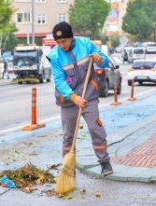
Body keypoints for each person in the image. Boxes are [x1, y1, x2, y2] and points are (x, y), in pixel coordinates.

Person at [46, 21, 113, 176]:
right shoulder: (55, 56)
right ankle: (68, 169)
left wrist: (99, 59)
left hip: (89, 95)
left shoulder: (85, 44)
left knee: (96, 128)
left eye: (64, 41)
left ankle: (105, 163)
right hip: (69, 100)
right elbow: (60, 81)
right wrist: (73, 97)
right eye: (58, 42)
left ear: (71, 37)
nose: (61, 45)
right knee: (68, 136)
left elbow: (104, 61)